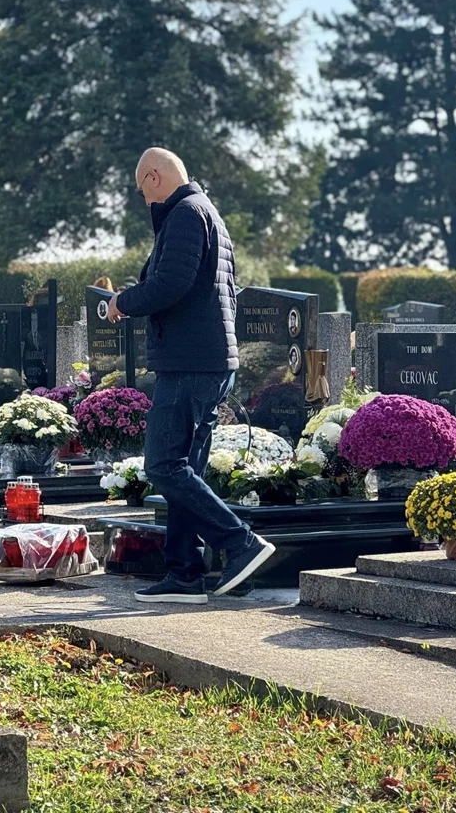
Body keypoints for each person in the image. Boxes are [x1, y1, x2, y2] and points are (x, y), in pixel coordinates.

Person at [109, 147, 275, 603]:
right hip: (209, 360)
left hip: (190, 363)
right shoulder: (209, 214)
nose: (146, 203)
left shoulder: (184, 213)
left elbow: (171, 285)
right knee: (187, 468)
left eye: (143, 190)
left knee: (162, 466)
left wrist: (124, 301)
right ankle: (184, 573)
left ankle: (241, 542)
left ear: (156, 177)